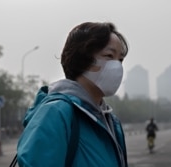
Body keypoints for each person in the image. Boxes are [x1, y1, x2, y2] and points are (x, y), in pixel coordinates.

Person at [17, 22, 129, 167]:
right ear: (82, 59)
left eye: (120, 59)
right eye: (109, 55)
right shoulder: (56, 113)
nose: (118, 66)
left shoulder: (111, 121)